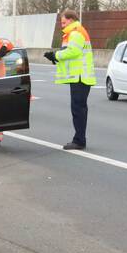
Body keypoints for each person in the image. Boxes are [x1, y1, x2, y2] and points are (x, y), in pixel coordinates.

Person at [44, 10, 94, 150]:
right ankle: (79, 139)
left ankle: (79, 141)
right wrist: (55, 57)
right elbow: (73, 53)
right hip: (80, 76)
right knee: (79, 109)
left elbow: (73, 52)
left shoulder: (76, 32)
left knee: (78, 109)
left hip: (80, 76)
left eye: (64, 21)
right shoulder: (74, 32)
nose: (62, 24)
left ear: (71, 20)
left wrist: (56, 55)